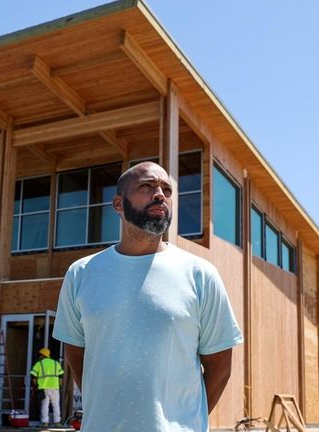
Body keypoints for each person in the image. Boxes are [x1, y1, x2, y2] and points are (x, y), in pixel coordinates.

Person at [53, 161, 243, 432]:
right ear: (119, 204)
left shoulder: (201, 274)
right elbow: (76, 353)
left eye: (166, 190)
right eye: (147, 186)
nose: (160, 194)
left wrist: (185, 423)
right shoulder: (82, 273)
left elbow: (220, 367)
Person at [30, 347, 64, 427]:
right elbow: (61, 376)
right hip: (55, 387)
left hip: (44, 388)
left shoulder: (39, 363)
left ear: (42, 355)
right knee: (56, 405)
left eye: (40, 355)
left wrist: (36, 386)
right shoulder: (56, 363)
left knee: (45, 405)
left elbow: (33, 375)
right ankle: (57, 422)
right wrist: (60, 385)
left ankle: (45, 422)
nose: (39, 357)